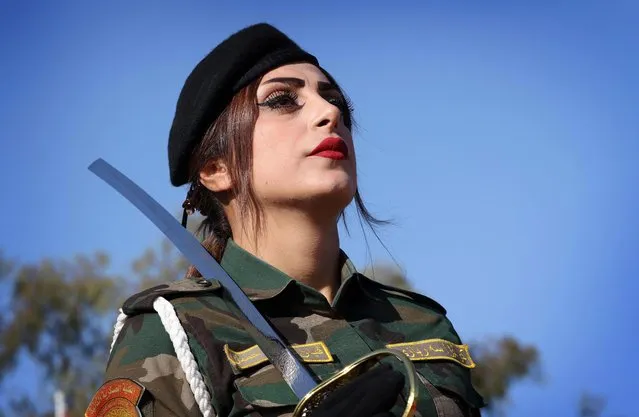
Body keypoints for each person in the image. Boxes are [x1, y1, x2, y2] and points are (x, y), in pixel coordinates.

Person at [85, 23, 485, 417]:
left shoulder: (424, 323)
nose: (329, 112)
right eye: (282, 100)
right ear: (216, 168)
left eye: (337, 103)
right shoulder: (175, 331)